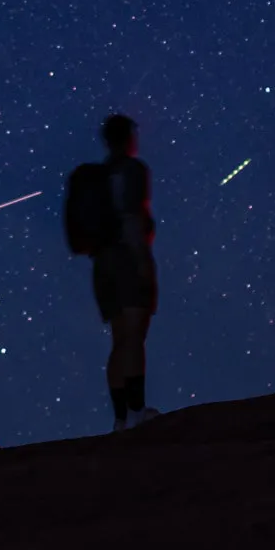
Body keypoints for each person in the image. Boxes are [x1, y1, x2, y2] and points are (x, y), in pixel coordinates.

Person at [92, 112, 160, 432]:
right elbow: (133, 217)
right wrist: (143, 263)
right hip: (127, 260)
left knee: (119, 339)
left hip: (103, 266)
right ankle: (136, 411)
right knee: (134, 337)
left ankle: (120, 418)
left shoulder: (98, 176)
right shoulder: (133, 171)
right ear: (129, 138)